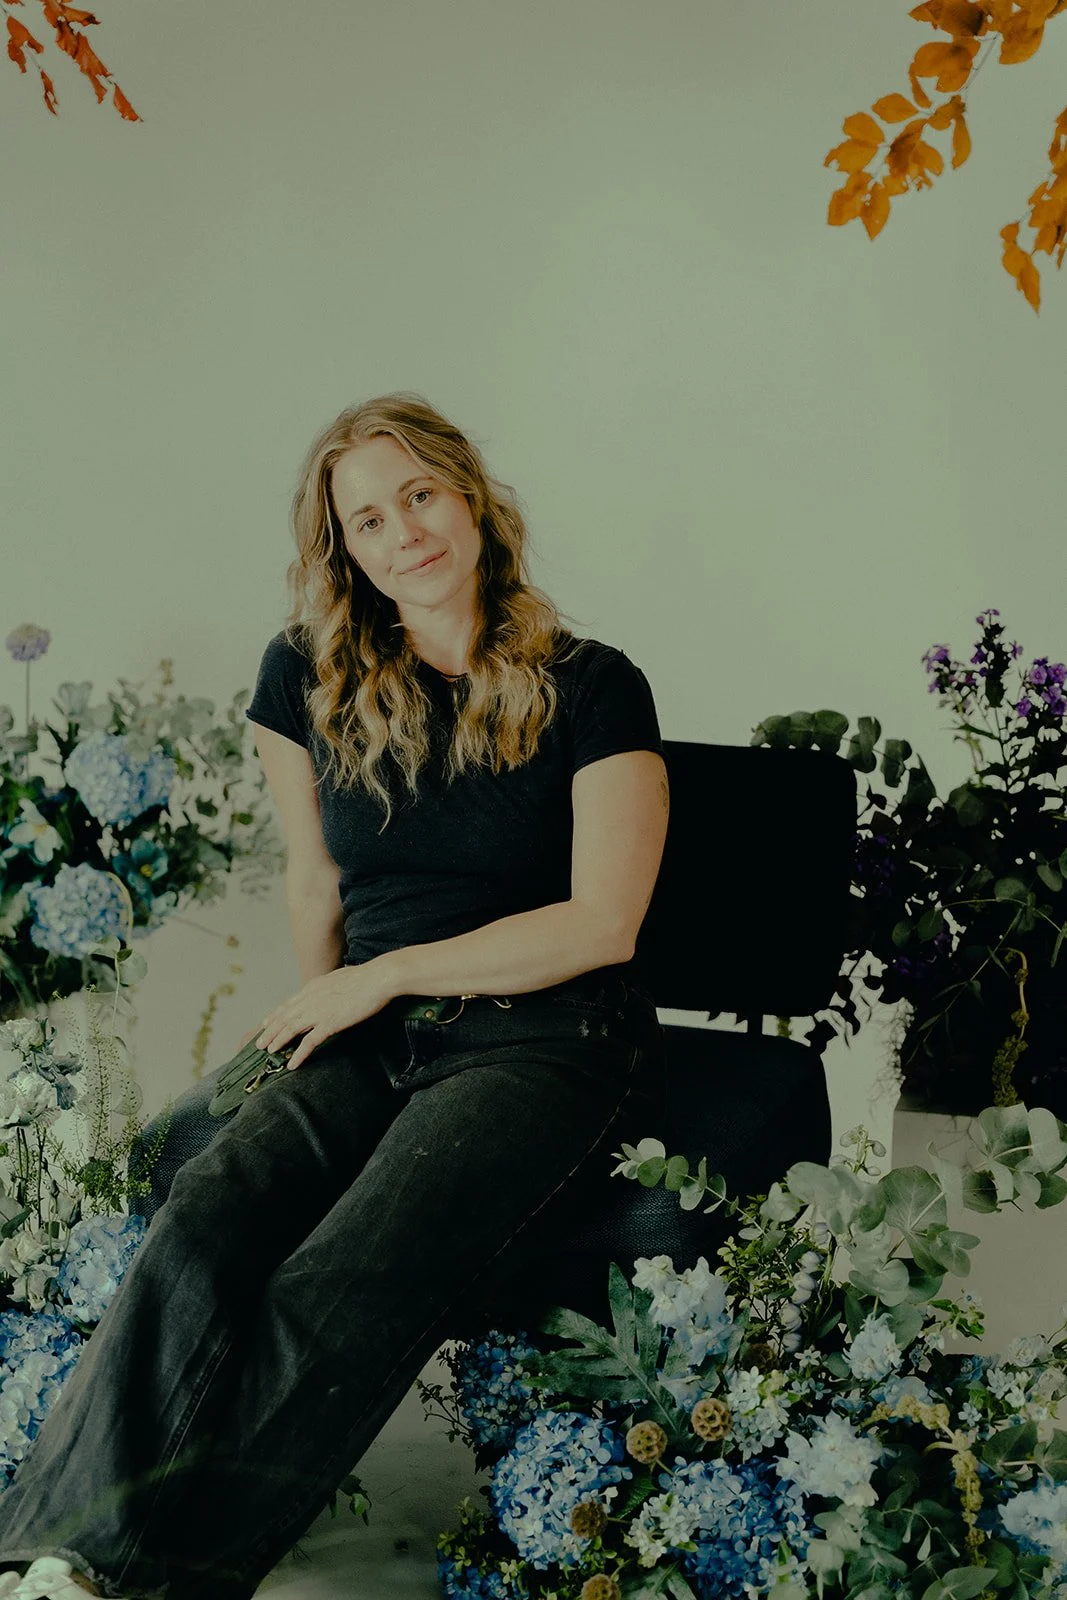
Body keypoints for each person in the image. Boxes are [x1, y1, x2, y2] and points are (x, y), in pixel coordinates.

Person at [0, 393, 669, 1600]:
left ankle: (165, 1583)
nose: (402, 532)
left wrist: (390, 972)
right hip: (368, 1021)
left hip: (546, 1034)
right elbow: (315, 877)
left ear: (469, 497)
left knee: (341, 1273)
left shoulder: (595, 686)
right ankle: (56, 1564)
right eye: (366, 518)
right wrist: (322, 1030)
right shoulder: (303, 674)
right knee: (206, 1209)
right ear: (343, 548)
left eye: (418, 494)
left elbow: (599, 922)